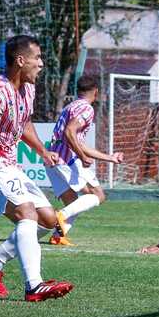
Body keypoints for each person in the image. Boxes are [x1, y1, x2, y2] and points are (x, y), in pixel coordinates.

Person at [0, 35, 74, 302]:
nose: (41, 64)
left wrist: (42, 151)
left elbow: (24, 123)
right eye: (37, 58)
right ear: (20, 60)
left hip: (11, 165)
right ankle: (34, 286)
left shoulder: (28, 89)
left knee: (50, 220)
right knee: (26, 213)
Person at [45, 76, 123, 245]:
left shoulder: (70, 107)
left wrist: (110, 158)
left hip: (52, 159)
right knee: (98, 195)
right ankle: (61, 215)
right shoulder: (87, 108)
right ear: (96, 91)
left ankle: (58, 236)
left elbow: (75, 139)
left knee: (73, 202)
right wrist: (81, 156)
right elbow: (69, 132)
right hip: (67, 159)